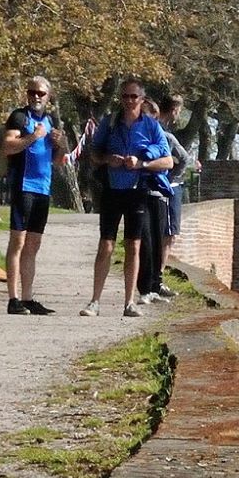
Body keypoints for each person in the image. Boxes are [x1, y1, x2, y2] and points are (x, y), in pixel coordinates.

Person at [81, 78, 173, 318]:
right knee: (106, 245)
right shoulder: (110, 123)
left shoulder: (152, 127)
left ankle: (129, 302)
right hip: (112, 189)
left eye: (134, 97)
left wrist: (141, 163)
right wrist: (107, 159)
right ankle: (94, 302)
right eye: (125, 97)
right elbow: (93, 154)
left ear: (142, 100)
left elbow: (169, 161)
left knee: (134, 246)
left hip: (138, 191)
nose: (129, 101)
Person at [0, 75, 71, 315]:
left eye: (41, 93)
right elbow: (8, 146)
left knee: (34, 244)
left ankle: (28, 298)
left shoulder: (50, 120)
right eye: (32, 92)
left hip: (43, 188)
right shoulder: (20, 117)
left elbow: (58, 161)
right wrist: (32, 137)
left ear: (48, 97)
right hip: (23, 185)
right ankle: (13, 298)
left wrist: (60, 145)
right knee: (18, 241)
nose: (36, 97)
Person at [136, 95, 193, 302]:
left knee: (159, 237)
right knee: (161, 237)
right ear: (175, 109)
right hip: (159, 191)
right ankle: (153, 282)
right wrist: (169, 179)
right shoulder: (163, 135)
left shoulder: (162, 135)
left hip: (158, 189)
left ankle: (152, 283)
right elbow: (184, 159)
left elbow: (175, 160)